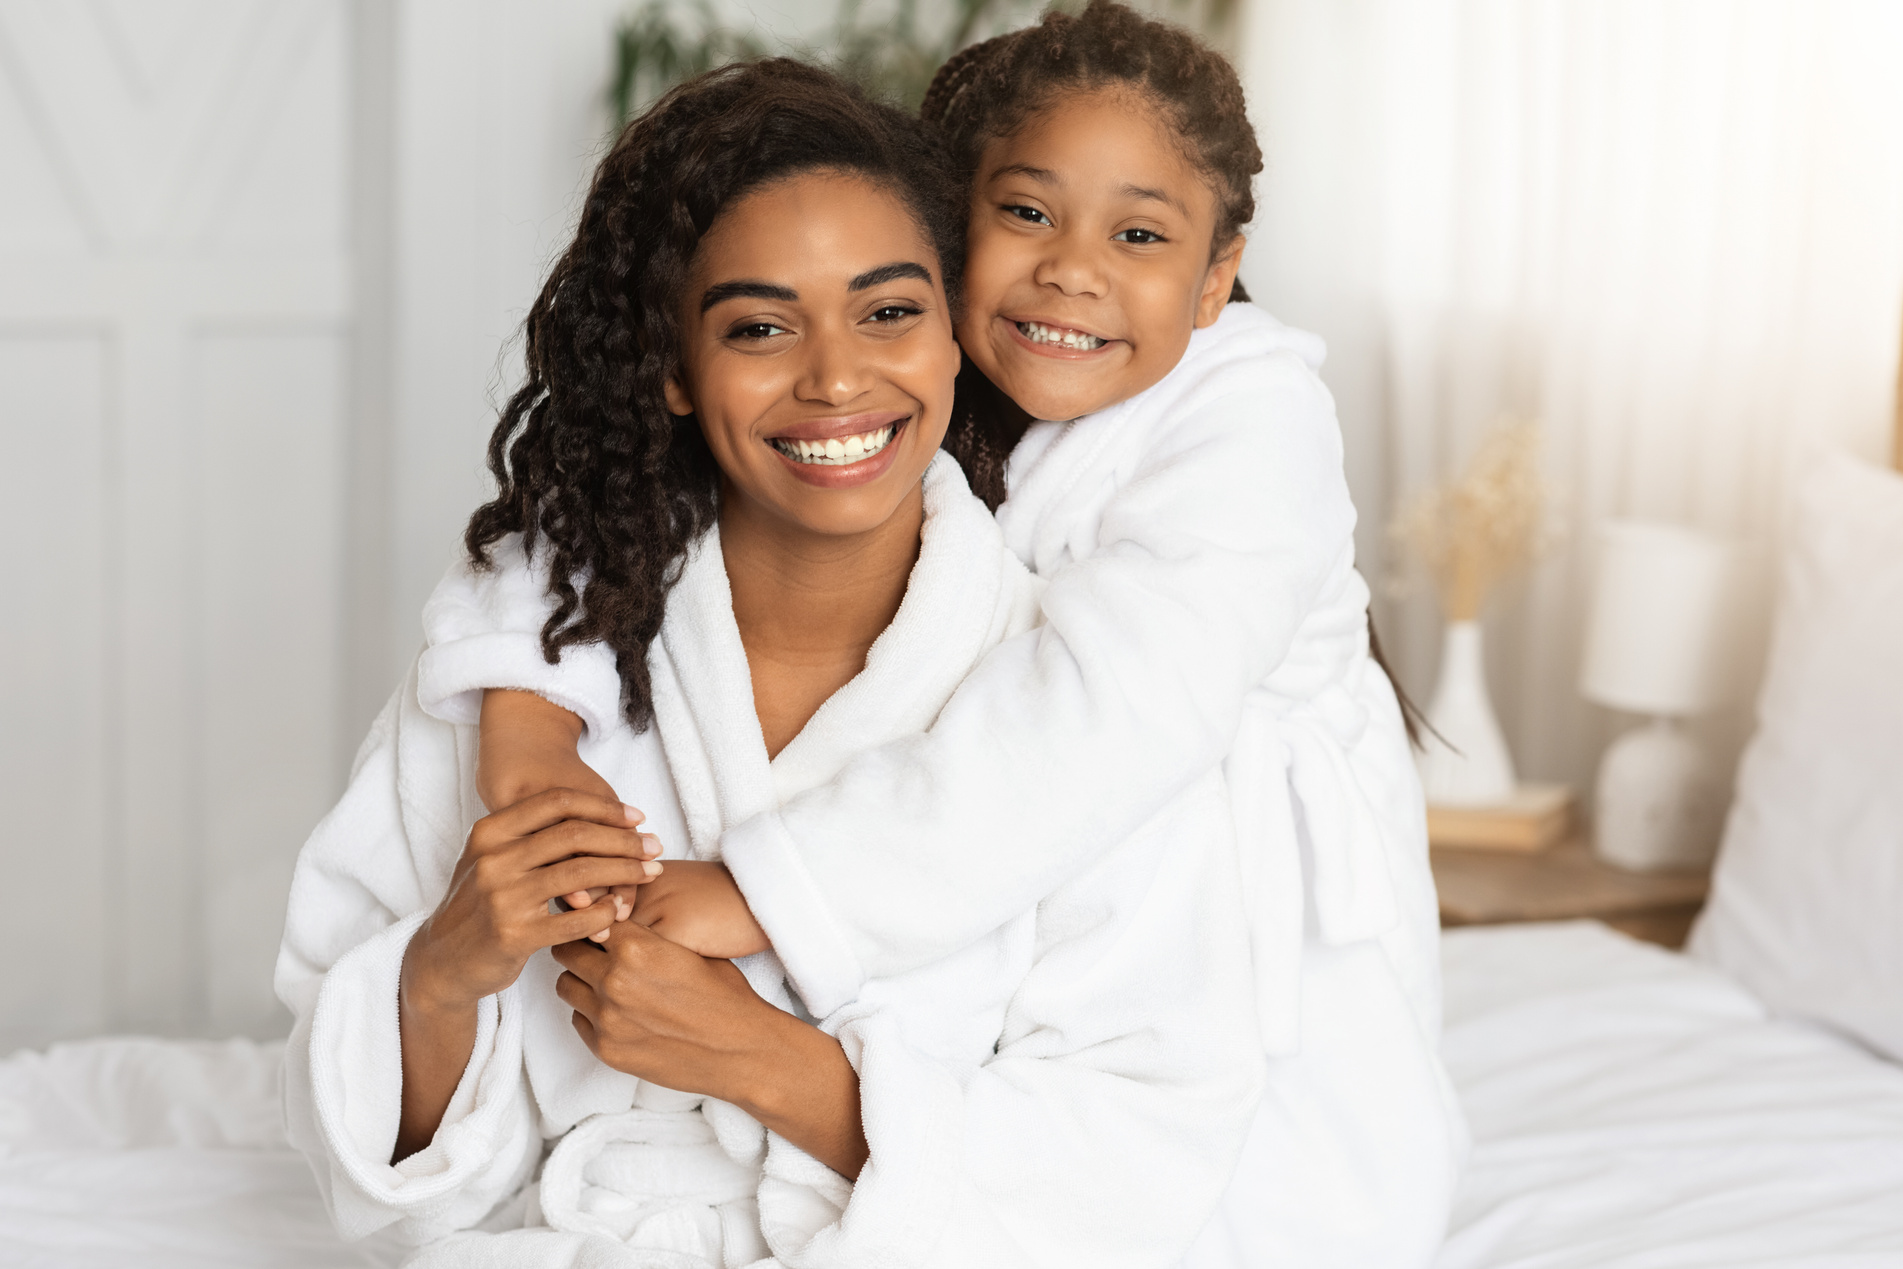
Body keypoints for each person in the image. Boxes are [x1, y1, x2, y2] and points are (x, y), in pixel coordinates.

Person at [434, 5, 1464, 1264]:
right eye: (1026, 214)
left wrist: (761, 889)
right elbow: (606, 497)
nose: (1071, 270)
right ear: (954, 219)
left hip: (1236, 895)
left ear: (1214, 274)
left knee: (1270, 1205)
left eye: (1137, 235)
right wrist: (525, 722)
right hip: (1042, 872)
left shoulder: (1254, 430)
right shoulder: (933, 351)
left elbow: (1094, 728)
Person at [276, 58, 1261, 1268]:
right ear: (676, 371)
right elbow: (362, 1168)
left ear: (957, 330)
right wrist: (438, 976)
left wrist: (768, 1066)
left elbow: (1146, 1155)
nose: (836, 378)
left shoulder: (1072, 719)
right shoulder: (528, 682)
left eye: (890, 311)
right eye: (758, 326)